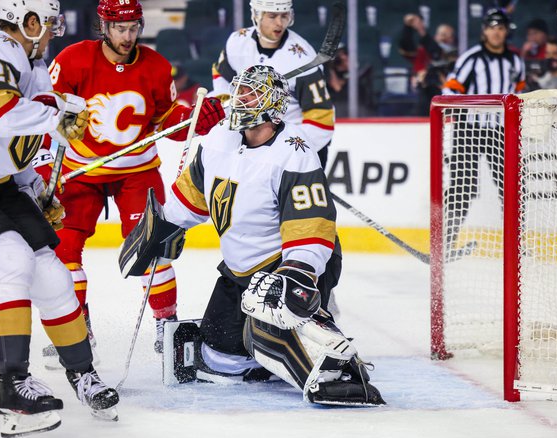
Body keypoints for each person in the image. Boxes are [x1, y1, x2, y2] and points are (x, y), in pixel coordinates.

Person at [120, 65, 385, 406]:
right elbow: (191, 201)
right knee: (218, 363)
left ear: (273, 107)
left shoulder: (295, 152)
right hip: (239, 271)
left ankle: (330, 361)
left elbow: (313, 227)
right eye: (240, 92)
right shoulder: (218, 139)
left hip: (290, 265)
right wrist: (162, 227)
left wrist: (297, 275)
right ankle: (270, 355)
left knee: (268, 313)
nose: (240, 100)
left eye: (251, 94)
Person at [0, 0, 119, 436]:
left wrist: (35, 188)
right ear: (28, 22)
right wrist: (57, 116)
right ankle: (14, 391)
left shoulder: (35, 64)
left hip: (0, 185)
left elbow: (18, 145)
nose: (52, 32)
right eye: (48, 23)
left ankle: (82, 374)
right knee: (11, 262)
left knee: (52, 275)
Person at [37, 0, 225, 364]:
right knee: (64, 252)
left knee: (153, 247)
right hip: (81, 170)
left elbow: (166, 118)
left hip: (137, 170)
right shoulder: (74, 59)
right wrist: (47, 171)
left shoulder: (155, 66)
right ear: (104, 26)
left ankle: (166, 326)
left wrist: (194, 121)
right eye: (120, 29)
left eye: (134, 28)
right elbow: (49, 114)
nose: (128, 36)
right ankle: (78, 330)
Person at [441, 8, 526, 258]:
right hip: (469, 131)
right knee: (462, 187)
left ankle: (516, 244)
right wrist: (470, 106)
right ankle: (447, 242)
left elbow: (519, 93)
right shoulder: (472, 58)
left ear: (506, 31)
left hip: (501, 131)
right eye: (492, 27)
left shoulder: (515, 61)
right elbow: (450, 90)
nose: (496, 32)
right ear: (484, 30)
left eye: (501, 28)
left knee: (511, 187)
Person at [211, 0, 335, 168]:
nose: (279, 23)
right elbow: (222, 77)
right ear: (256, 15)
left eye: (284, 16)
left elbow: (322, 119)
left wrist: (290, 151)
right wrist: (226, 109)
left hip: (294, 145)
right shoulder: (237, 42)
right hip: (250, 139)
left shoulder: (302, 58)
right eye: (272, 16)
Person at [398, 13, 457, 115]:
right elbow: (406, 48)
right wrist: (408, 28)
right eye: (441, 35)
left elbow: (437, 54)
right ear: (436, 36)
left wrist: (422, 31)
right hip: (421, 96)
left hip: (444, 99)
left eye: (447, 36)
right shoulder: (423, 52)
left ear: (452, 39)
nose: (444, 39)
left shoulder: (454, 55)